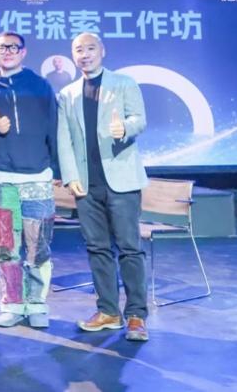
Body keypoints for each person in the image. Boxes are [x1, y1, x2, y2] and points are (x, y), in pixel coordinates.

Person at [57, 32, 149, 342]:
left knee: (129, 248)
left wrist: (125, 127)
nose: (84, 54)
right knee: (97, 249)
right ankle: (108, 311)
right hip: (87, 185)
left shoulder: (124, 83)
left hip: (121, 180)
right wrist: (70, 175)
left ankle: (136, 315)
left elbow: (140, 119)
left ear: (102, 51)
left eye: (90, 48)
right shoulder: (67, 94)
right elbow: (64, 139)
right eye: (78, 50)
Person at [0, 31, 58, 329]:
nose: (6, 52)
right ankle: (12, 303)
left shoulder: (40, 86)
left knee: (38, 245)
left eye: (12, 47)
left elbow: (54, 129)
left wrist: (57, 171)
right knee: (7, 246)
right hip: (2, 180)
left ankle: (37, 303)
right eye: (0, 48)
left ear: (23, 52)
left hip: (37, 178)